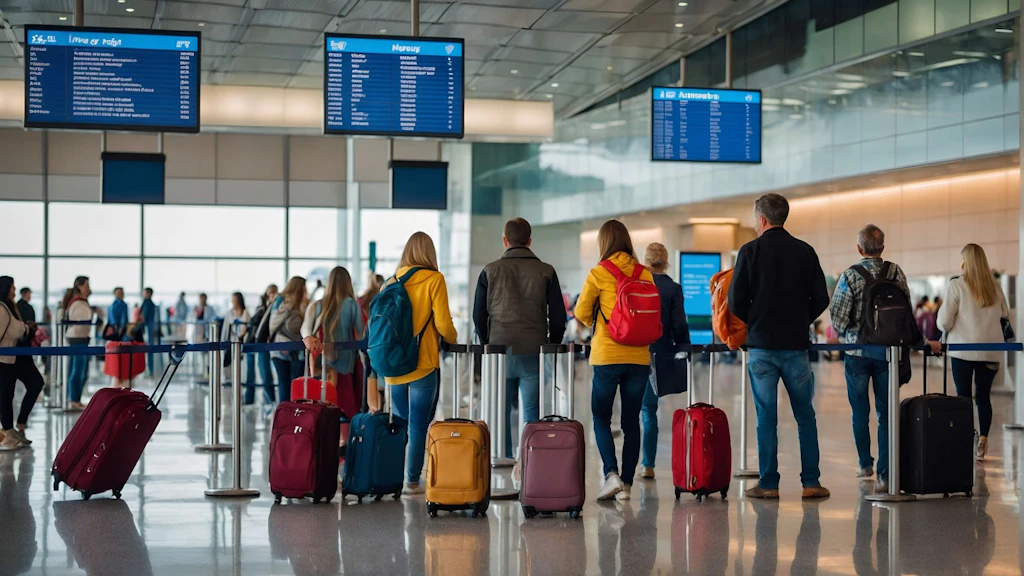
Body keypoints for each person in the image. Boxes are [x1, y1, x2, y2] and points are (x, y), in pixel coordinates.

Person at [728, 193, 831, 499]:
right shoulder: (805, 251)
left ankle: (769, 484)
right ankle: (811, 482)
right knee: (805, 415)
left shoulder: (750, 251)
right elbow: (821, 298)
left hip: (762, 347)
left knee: (766, 417)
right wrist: (800, 320)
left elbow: (735, 300)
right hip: (796, 346)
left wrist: (756, 320)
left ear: (762, 219)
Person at [828, 224, 940, 494]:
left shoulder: (850, 276)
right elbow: (906, 314)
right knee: (886, 414)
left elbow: (838, 319)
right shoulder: (895, 272)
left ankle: (865, 464)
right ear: (883, 248)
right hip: (889, 354)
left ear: (859, 248)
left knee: (859, 412)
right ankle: (886, 476)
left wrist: (848, 333)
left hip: (857, 354)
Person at [573, 220, 654, 502]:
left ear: (603, 243)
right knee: (632, 420)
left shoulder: (599, 273)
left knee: (600, 417)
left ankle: (611, 474)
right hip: (639, 357)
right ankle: (628, 485)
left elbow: (581, 313)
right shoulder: (645, 273)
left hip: (607, 355)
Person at [472, 217, 566, 460]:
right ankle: (529, 461)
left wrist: (487, 343)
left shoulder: (489, 271)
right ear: (529, 241)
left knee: (500, 410)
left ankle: (503, 459)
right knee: (531, 411)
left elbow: (478, 314)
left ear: (505, 241)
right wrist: (551, 344)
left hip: (499, 351)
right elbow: (558, 316)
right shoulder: (546, 271)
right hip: (534, 349)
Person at [383, 232, 458, 495]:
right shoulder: (434, 279)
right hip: (422, 363)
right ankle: (412, 480)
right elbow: (444, 323)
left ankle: (393, 476)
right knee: (417, 426)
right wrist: (452, 339)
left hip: (393, 367)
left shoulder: (390, 282)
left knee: (401, 424)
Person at [938, 243, 1011, 461]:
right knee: (983, 396)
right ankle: (983, 440)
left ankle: (967, 437)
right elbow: (1004, 314)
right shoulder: (995, 287)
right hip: (991, 350)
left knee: (963, 397)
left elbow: (944, 322)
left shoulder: (957, 285)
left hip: (963, 351)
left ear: (965, 262)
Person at [638, 242, 690, 480]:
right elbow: (679, 323)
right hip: (658, 353)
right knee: (649, 409)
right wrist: (683, 347)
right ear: (666, 262)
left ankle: (625, 467)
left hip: (633, 351)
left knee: (632, 409)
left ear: (646, 262)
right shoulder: (673, 288)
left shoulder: (637, 284)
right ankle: (647, 465)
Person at [302, 266, 364, 420]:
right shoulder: (351, 304)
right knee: (346, 407)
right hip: (345, 362)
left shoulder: (318, 305)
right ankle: (344, 435)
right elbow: (361, 333)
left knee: (325, 405)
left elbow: (305, 330)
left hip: (323, 361)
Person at [0, 277, 44, 450]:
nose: (14, 289)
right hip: (7, 356)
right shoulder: (3, 307)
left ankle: (19, 425)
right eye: (12, 287)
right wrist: (26, 328)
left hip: (19, 354)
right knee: (6, 395)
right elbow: (13, 329)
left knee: (35, 383)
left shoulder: (12, 306)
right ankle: (8, 432)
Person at [269, 277, 308, 404]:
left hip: (290, 350)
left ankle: (288, 413)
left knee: (291, 387)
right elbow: (272, 324)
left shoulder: (302, 302)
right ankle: (287, 414)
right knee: (287, 386)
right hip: (287, 349)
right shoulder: (283, 301)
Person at [63, 276, 93, 410]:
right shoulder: (79, 303)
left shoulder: (79, 302)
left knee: (78, 370)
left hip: (78, 338)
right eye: (86, 285)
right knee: (78, 370)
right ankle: (74, 399)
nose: (88, 288)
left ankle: (75, 398)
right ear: (79, 287)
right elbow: (81, 320)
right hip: (78, 338)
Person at [244, 292, 274, 406]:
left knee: (263, 374)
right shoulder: (263, 310)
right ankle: (264, 400)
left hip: (259, 345)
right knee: (260, 374)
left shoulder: (265, 310)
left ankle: (267, 400)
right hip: (258, 344)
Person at [221, 292, 250, 383]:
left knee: (241, 364)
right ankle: (230, 381)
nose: (233, 302)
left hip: (242, 342)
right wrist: (223, 342)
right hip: (230, 341)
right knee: (228, 363)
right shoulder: (229, 313)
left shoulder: (245, 312)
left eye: (235, 300)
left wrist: (240, 336)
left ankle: (240, 382)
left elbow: (246, 328)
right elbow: (225, 329)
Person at [140, 287, 158, 376]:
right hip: (150, 329)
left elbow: (143, 317)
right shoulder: (152, 304)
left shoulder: (146, 303)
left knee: (147, 349)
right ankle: (150, 370)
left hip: (147, 330)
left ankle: (148, 370)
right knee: (150, 349)